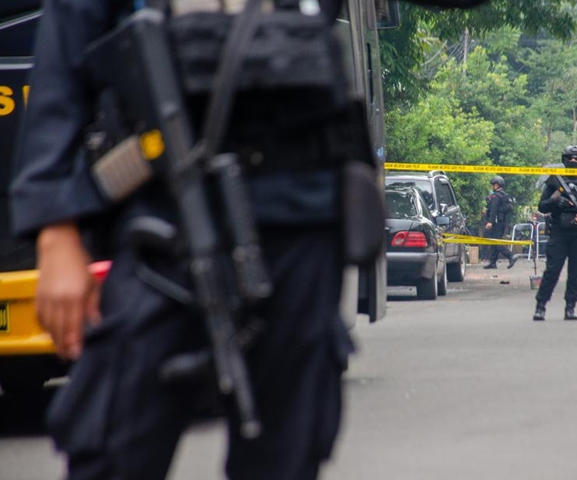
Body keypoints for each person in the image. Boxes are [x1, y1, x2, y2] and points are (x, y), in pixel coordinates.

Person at [9, 1, 488, 479]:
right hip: (163, 224)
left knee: (285, 455)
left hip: (301, 226)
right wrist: (56, 236)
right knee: (111, 447)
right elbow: (60, 77)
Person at [533, 145, 577, 321]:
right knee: (552, 270)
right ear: (564, 160)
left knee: (575, 273)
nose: (573, 161)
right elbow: (542, 206)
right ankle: (541, 306)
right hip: (559, 231)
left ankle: (570, 307)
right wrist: (556, 201)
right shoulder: (556, 182)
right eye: (570, 158)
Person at [484, 176, 518, 269]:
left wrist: (490, 222)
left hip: (496, 222)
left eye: (493, 185)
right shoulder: (503, 195)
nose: (492, 187)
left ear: (496, 185)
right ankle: (493, 262)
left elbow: (494, 209)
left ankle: (511, 256)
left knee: (496, 242)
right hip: (502, 222)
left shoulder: (496, 195)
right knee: (494, 240)